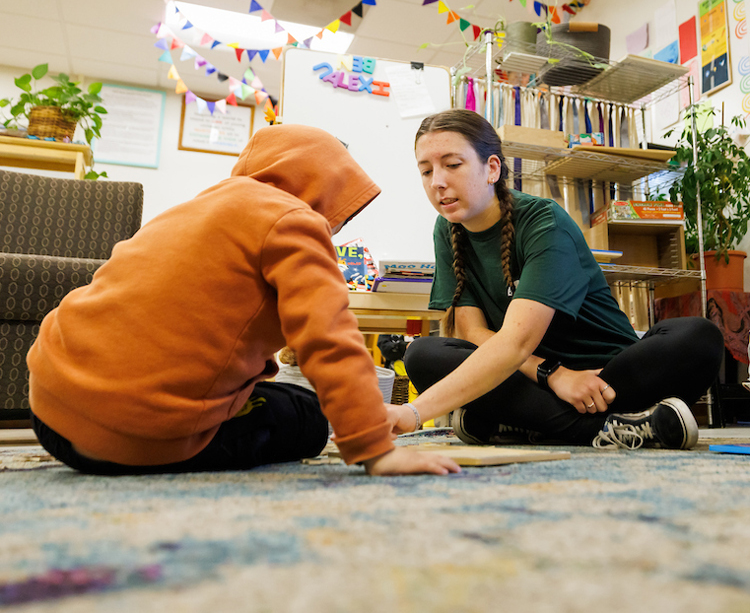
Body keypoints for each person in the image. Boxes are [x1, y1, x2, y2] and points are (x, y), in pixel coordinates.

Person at [27, 124, 459, 477]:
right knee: (306, 413)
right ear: (323, 188)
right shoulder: (294, 220)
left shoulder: (197, 205)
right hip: (131, 439)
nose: (335, 228)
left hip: (49, 408)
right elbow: (329, 337)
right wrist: (375, 448)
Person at [387, 109, 723, 450]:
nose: (437, 182)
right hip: (535, 378)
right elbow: (472, 333)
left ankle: (532, 423)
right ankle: (615, 428)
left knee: (699, 336)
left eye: (452, 165)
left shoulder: (542, 220)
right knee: (422, 354)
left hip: (609, 376)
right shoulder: (447, 229)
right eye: (426, 171)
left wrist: (412, 414)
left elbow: (516, 343)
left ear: (491, 168)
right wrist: (554, 375)